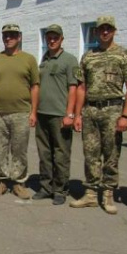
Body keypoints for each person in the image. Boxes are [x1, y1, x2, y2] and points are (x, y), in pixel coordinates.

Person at [71, 15, 127, 214]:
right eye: (101, 29)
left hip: (113, 110)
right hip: (90, 109)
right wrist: (77, 114)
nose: (105, 32)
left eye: (109, 29)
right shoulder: (88, 56)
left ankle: (108, 193)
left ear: (114, 31)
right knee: (90, 153)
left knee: (111, 153)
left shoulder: (124, 55)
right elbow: (81, 87)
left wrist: (126, 115)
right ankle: (91, 193)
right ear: (96, 32)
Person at [0, 23, 39, 199]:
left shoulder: (29, 59)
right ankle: (1, 181)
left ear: (19, 37)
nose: (8, 38)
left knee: (19, 150)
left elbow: (34, 86)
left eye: (12, 35)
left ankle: (18, 182)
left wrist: (33, 112)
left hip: (21, 112)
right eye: (5, 35)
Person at [32, 24, 80, 205]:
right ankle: (46, 187)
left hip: (60, 115)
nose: (52, 40)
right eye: (49, 37)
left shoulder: (69, 60)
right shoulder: (43, 61)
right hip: (42, 114)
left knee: (61, 154)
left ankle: (60, 189)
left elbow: (73, 88)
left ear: (61, 39)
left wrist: (70, 114)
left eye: (55, 38)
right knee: (44, 153)